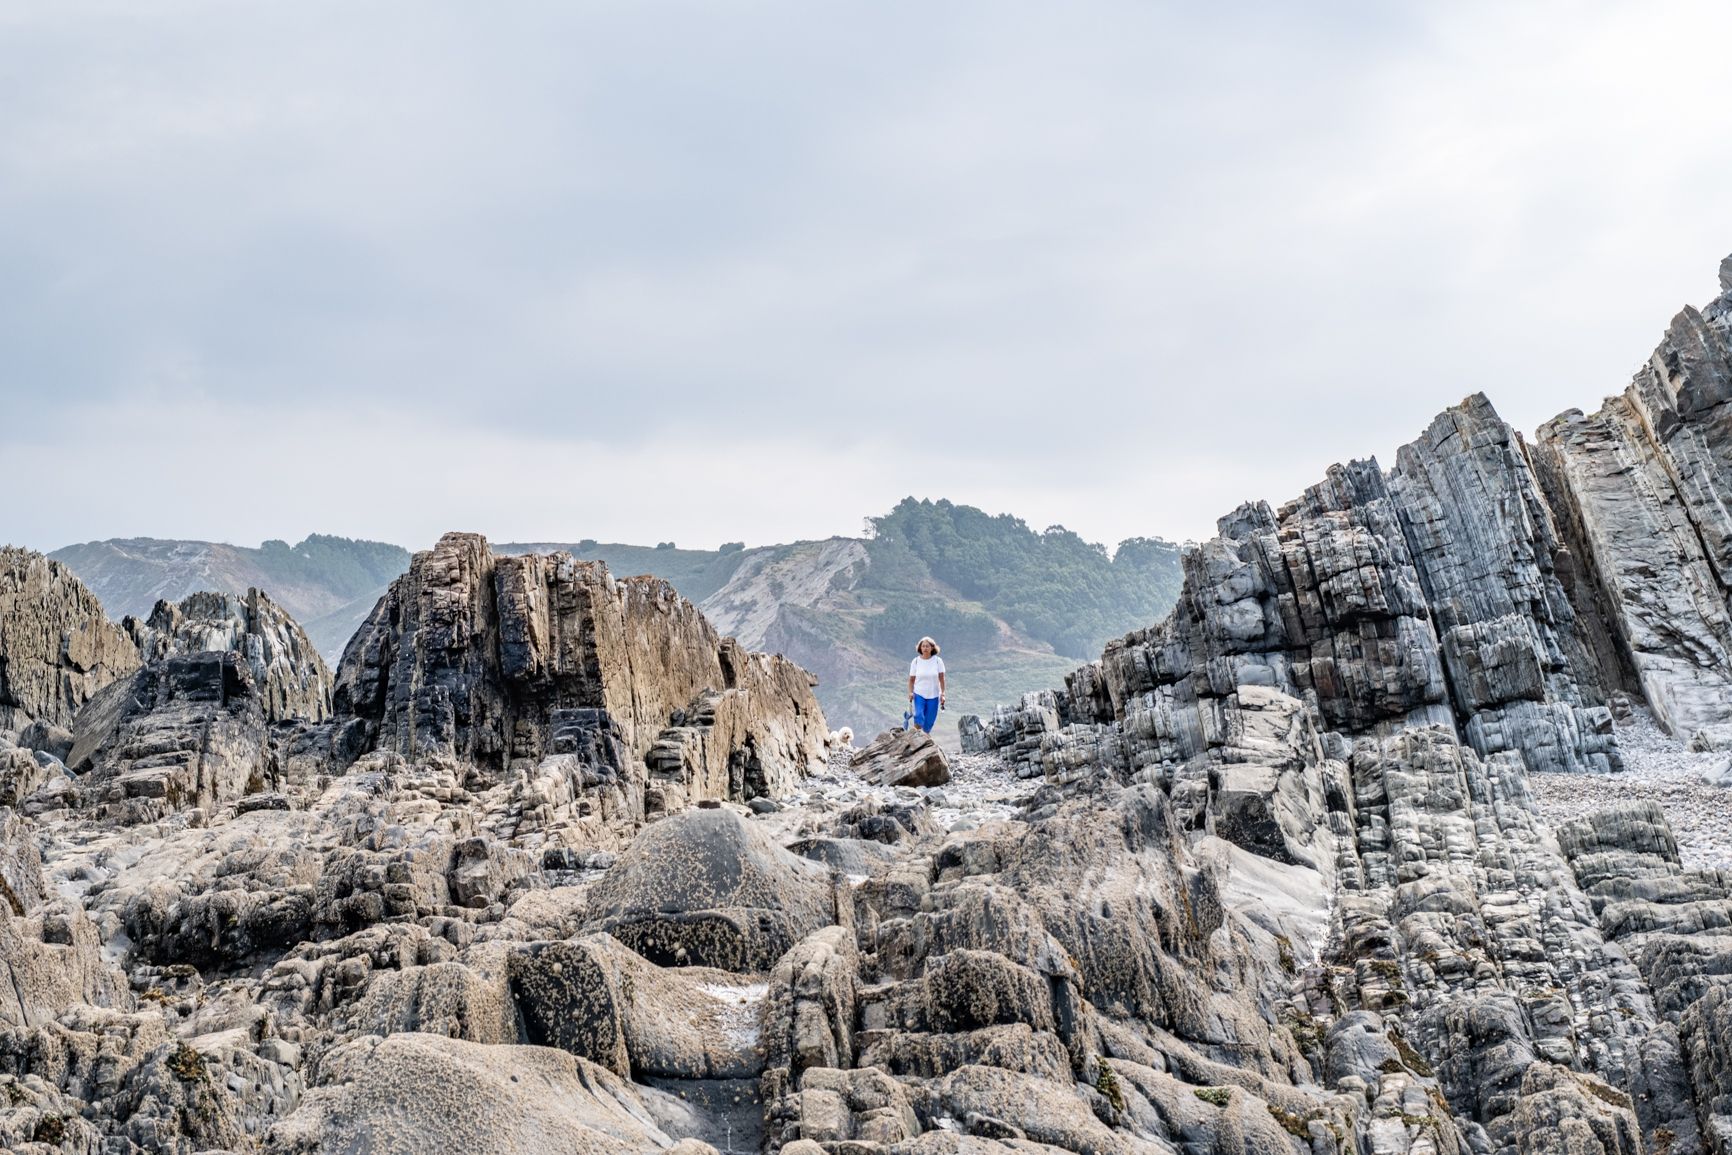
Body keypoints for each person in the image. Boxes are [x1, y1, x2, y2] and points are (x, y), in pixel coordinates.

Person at [907, 636, 945, 733]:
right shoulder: (915, 661)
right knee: (918, 715)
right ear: (920, 648)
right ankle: (916, 736)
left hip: (934, 695)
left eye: (927, 646)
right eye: (923, 646)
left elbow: (941, 679)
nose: (925, 648)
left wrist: (943, 694)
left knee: (929, 721)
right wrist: (910, 692)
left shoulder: (938, 661)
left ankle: (925, 738)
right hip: (919, 693)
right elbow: (911, 680)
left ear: (932, 648)